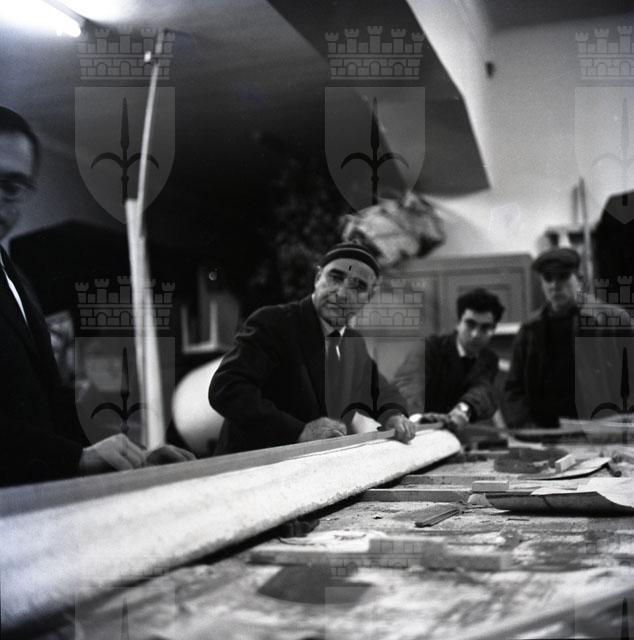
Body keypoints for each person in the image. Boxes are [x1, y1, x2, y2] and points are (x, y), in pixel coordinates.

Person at [0, 106, 194, 486]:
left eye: (11, 187)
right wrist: (75, 458)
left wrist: (131, 454)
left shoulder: (13, 275)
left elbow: (40, 404)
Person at [209, 242, 416, 454]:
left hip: (314, 466)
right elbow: (226, 388)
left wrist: (393, 415)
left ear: (369, 298)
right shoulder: (274, 322)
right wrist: (299, 431)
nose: (342, 293)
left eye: (358, 286)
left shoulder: (352, 343)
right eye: (335, 278)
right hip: (252, 466)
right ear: (318, 278)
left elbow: (380, 391)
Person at [503, 247, 633, 429]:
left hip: (604, 430)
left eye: (563, 276)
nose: (554, 285)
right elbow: (514, 389)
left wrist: (624, 425)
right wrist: (526, 427)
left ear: (579, 279)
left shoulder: (613, 321)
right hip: (546, 434)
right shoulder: (530, 330)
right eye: (548, 278)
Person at [393, 287, 504, 436]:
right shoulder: (430, 348)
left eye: (485, 328)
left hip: (453, 437)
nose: (475, 334)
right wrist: (415, 418)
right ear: (458, 323)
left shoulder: (489, 359)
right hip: (416, 434)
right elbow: (409, 385)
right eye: (470, 324)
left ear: (494, 329)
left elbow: (482, 390)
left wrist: (463, 410)